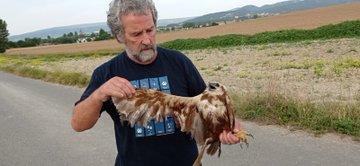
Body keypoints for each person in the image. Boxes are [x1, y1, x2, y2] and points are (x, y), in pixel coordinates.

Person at [71, 0, 242, 165]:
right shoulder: (106, 73)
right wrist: (98, 95)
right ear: (119, 36)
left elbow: (209, 109)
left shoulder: (179, 62)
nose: (147, 40)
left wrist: (228, 128)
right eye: (136, 34)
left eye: (150, 30)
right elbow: (78, 124)